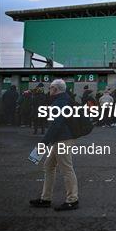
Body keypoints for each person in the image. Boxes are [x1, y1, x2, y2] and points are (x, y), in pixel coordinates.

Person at [30, 79, 79, 211]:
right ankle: (45, 198)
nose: (49, 90)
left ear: (56, 89)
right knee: (49, 166)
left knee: (66, 169)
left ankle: (72, 200)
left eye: (51, 88)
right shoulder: (63, 99)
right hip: (62, 138)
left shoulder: (60, 102)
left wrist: (43, 144)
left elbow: (55, 124)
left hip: (62, 139)